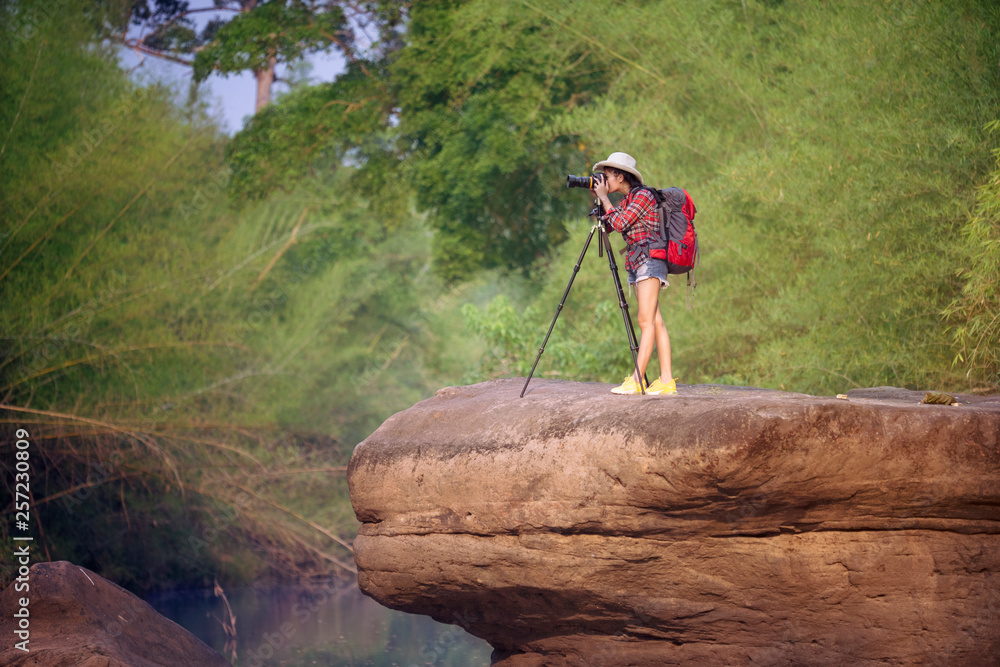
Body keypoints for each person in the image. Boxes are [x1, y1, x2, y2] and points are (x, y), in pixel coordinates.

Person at [590, 152, 677, 395]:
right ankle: (667, 381)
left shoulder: (643, 196)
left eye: (607, 176)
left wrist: (605, 199)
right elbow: (611, 225)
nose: (604, 181)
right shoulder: (628, 199)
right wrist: (601, 203)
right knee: (655, 321)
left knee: (645, 321)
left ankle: (638, 380)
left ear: (620, 175)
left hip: (649, 261)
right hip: (638, 261)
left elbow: (621, 223)